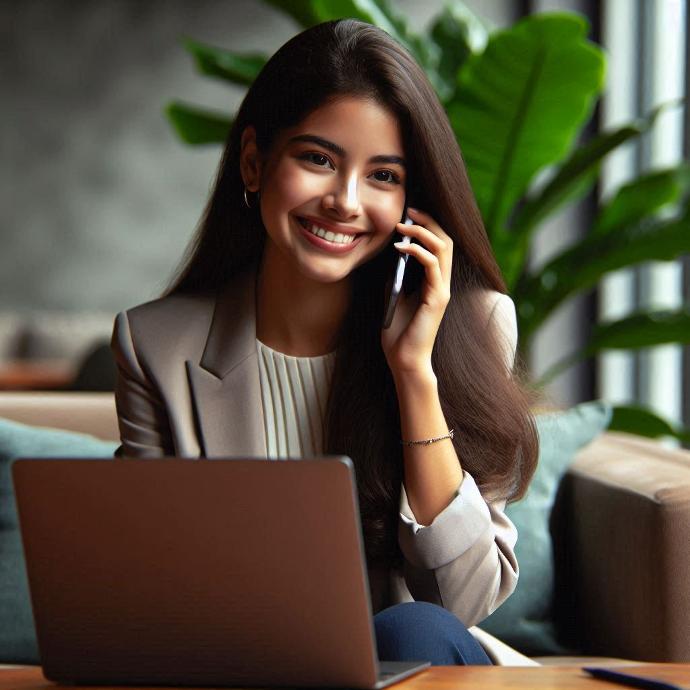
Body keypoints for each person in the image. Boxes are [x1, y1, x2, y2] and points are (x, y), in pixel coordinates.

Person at [111, 19, 539, 666]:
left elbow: (463, 598)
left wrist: (414, 373)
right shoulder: (156, 345)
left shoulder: (472, 327)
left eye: (384, 176)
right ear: (255, 162)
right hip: (241, 671)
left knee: (412, 630)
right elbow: (143, 587)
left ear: (412, 204)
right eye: (318, 159)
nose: (344, 201)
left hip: (417, 669)